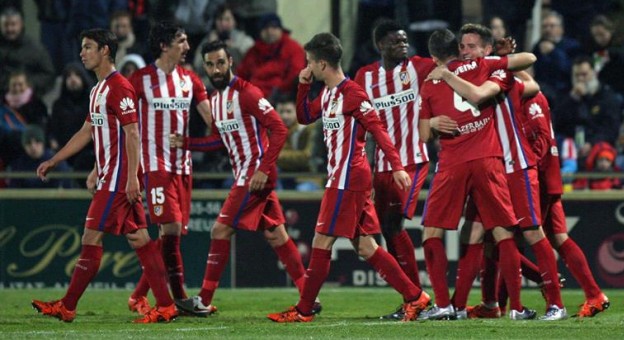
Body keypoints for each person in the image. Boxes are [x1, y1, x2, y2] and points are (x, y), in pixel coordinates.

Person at [267, 32, 430, 323]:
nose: (306, 68)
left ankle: (304, 310)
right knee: (366, 246)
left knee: (321, 240)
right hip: (342, 178)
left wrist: (397, 166)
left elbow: (379, 130)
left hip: (348, 179)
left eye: (309, 64)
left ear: (321, 63)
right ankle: (415, 297)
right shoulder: (328, 94)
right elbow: (304, 116)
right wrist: (303, 85)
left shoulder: (352, 93)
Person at [31, 28, 176, 324]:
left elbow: (132, 133)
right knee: (140, 239)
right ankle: (165, 304)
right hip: (110, 176)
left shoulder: (119, 87)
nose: (82, 53)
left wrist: (132, 179)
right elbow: (89, 131)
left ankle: (67, 306)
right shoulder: (97, 90)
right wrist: (56, 160)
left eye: (88, 47)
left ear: (105, 51)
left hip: (118, 181)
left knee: (91, 236)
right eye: (82, 47)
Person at [169, 40, 311, 317]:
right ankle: (309, 295)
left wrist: (262, 169)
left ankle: (204, 300)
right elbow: (219, 142)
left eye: (220, 62)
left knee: (219, 230)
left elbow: (279, 130)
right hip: (249, 174)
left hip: (254, 173)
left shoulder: (247, 93)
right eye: (210, 64)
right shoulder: (215, 99)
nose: (215, 68)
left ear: (230, 61)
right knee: (276, 234)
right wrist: (186, 143)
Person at [435, 23, 566, 321]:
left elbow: (508, 88)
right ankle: (468, 305)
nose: (464, 52)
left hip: (516, 165)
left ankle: (555, 303)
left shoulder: (498, 74)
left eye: (471, 47)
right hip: (488, 167)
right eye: (462, 47)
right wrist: (431, 123)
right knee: (477, 232)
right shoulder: (463, 76)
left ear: (486, 51)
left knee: (532, 231)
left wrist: (448, 73)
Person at [417, 28, 536, 321]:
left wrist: (433, 121)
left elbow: (422, 134)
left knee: (432, 231)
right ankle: (517, 309)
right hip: (488, 160)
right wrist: (501, 55)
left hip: (452, 163)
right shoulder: (482, 65)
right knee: (502, 232)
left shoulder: (429, 83)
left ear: (434, 57)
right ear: (458, 49)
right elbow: (528, 60)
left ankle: (444, 304)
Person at [126, 21, 213, 315]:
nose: (188, 47)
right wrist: (102, 163)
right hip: (154, 165)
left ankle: (139, 295)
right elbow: (122, 124)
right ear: (164, 45)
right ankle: (180, 297)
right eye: (182, 41)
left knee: (170, 234)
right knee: (171, 227)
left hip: (182, 168)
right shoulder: (140, 80)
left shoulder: (191, 80)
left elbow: (214, 120)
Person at [354, 19, 435, 320]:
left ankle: (416, 298)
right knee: (388, 230)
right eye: (395, 41)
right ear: (380, 46)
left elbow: (448, 63)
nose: (402, 44)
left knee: (394, 226)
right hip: (381, 166)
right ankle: (411, 299)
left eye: (404, 40)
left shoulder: (419, 68)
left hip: (412, 161)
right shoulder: (365, 77)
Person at [527, 91, 611, 317]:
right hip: (549, 174)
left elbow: (540, 140)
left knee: (511, 236)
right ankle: (594, 294)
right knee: (557, 237)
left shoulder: (525, 95)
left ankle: (550, 300)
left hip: (537, 177)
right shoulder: (536, 94)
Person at [236, 13, 305, 99]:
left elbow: (295, 74)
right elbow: (241, 74)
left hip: (281, 97)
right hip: (253, 96)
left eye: (274, 27)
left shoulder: (293, 48)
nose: (270, 31)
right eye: (265, 28)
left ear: (281, 29)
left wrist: (280, 91)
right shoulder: (253, 51)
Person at [0, 7, 55, 96]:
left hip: (30, 100)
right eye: (6, 25)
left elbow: (48, 74)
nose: (9, 29)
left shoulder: (35, 48)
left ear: (21, 24)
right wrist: (8, 83)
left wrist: (26, 83)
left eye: (13, 24)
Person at [531, 11, 583, 105]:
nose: (548, 29)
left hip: (564, 91)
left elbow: (569, 69)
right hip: (542, 91)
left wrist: (554, 52)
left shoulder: (572, 46)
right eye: (545, 26)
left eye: (552, 26)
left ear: (561, 29)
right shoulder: (537, 47)